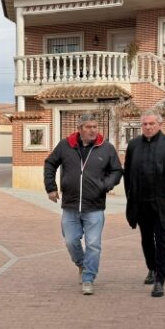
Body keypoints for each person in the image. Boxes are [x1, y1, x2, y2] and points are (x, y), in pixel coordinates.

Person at [44, 114, 122, 295]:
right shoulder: (66, 145)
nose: (93, 130)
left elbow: (117, 171)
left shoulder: (106, 148)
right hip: (70, 205)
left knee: (93, 244)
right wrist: (51, 188)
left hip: (94, 206)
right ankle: (81, 263)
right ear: (80, 129)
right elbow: (50, 164)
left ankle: (88, 278)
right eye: (88, 127)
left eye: (95, 126)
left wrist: (104, 185)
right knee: (71, 241)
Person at [124, 109, 165, 298]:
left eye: (152, 124)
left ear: (159, 125)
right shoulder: (134, 145)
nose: (148, 127)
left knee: (161, 240)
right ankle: (151, 268)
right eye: (145, 124)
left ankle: (160, 280)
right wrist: (129, 195)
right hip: (141, 203)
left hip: (162, 202)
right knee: (146, 239)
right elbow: (127, 172)